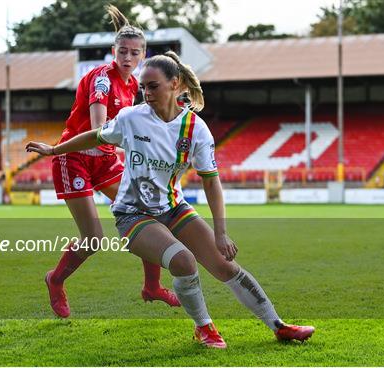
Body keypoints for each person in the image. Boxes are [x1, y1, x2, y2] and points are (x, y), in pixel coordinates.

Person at [27, 51, 315, 348]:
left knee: (225, 267)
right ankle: (204, 327)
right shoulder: (131, 118)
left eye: (153, 86)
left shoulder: (196, 129)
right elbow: (96, 136)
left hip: (174, 208)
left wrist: (221, 232)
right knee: (184, 261)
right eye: (143, 88)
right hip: (133, 215)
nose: (146, 93)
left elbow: (211, 181)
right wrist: (55, 150)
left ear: (175, 84)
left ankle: (278, 326)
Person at [44, 5, 179, 318]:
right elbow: (100, 128)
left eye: (134, 53)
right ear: (113, 51)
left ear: (143, 54)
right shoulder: (102, 79)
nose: (128, 58)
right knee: (93, 239)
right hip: (74, 157)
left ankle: (152, 288)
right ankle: (55, 279)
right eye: (123, 52)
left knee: (149, 215)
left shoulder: (134, 84)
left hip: (104, 161)